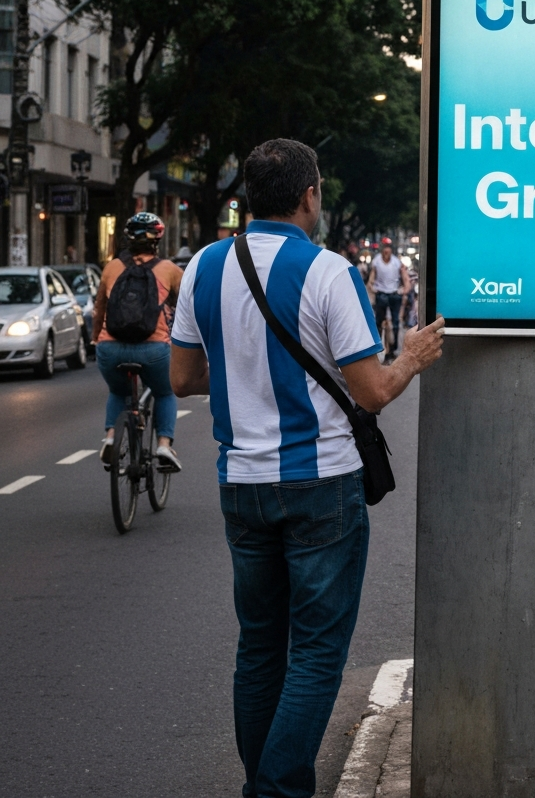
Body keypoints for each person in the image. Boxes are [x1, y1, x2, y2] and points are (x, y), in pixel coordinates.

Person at [169, 139, 444, 798]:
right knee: (317, 651)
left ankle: (260, 785)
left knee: (259, 648)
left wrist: (241, 367)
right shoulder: (328, 272)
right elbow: (372, 391)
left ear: (246, 198)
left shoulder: (203, 266)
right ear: (309, 196)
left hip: (242, 485)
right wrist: (410, 357)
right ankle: (276, 791)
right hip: (321, 485)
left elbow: (181, 379)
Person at [94, 212, 183, 473]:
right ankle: (164, 444)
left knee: (118, 392)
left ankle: (111, 436)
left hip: (110, 348)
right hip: (153, 349)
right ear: (157, 240)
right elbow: (188, 308)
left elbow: (99, 308)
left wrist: (94, 338)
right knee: (165, 392)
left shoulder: (111, 268)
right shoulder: (170, 270)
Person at [367, 238, 410, 362]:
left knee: (396, 322)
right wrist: (371, 287)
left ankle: (393, 349)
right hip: (381, 294)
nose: (386, 252)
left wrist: (405, 289)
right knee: (378, 322)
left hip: (394, 294)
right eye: (384, 249)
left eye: (388, 249)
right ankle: (378, 348)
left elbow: (405, 278)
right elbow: (372, 278)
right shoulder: (376, 262)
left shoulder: (397, 263)